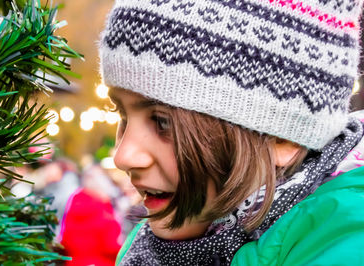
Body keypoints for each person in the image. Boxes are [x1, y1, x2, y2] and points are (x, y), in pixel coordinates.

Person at [99, 0, 364, 265]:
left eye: (163, 122)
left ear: (283, 138)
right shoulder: (153, 244)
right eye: (122, 114)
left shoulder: (345, 245)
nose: (123, 156)